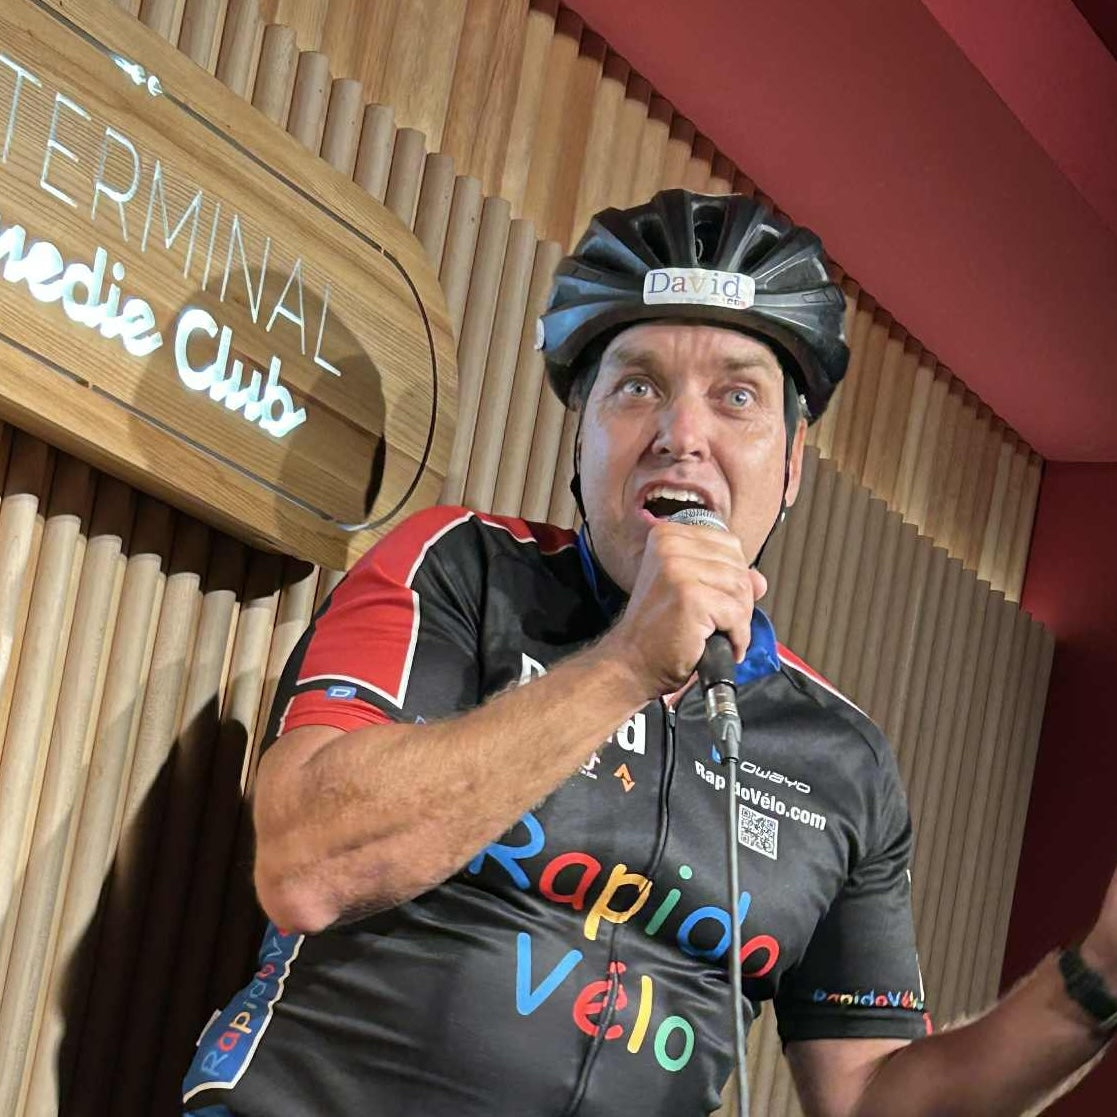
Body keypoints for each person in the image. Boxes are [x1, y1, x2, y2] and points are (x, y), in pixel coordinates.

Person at [183, 190, 1115, 1116]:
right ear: (581, 432)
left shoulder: (843, 758)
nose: (681, 436)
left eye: (736, 397)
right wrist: (625, 665)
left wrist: (1096, 980)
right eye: (637, 387)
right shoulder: (462, 569)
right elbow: (306, 865)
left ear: (792, 463)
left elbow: (871, 1100)